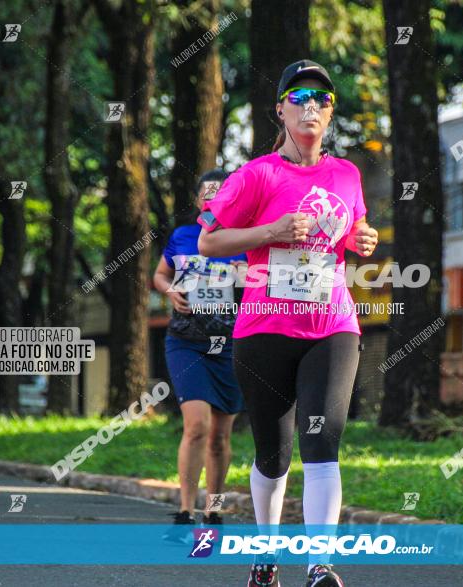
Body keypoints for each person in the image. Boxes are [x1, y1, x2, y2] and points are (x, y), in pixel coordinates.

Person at [197, 60, 379, 587]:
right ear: (280, 108)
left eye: (322, 99)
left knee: (322, 439)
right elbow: (209, 241)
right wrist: (271, 230)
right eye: (299, 97)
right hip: (264, 330)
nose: (311, 107)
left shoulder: (347, 174)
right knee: (273, 455)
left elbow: (353, 228)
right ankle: (266, 555)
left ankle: (320, 564)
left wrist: (362, 240)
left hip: (333, 325)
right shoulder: (256, 175)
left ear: (330, 112)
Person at [153, 169, 247, 528]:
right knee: (197, 426)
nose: (212, 199)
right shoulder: (183, 236)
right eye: (206, 193)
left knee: (221, 437)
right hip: (185, 342)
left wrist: (244, 272)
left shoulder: (242, 239)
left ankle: (214, 508)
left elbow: (264, 283)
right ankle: (185, 509)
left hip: (230, 344)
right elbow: (160, 274)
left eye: (220, 193)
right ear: (197, 201)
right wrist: (168, 290)